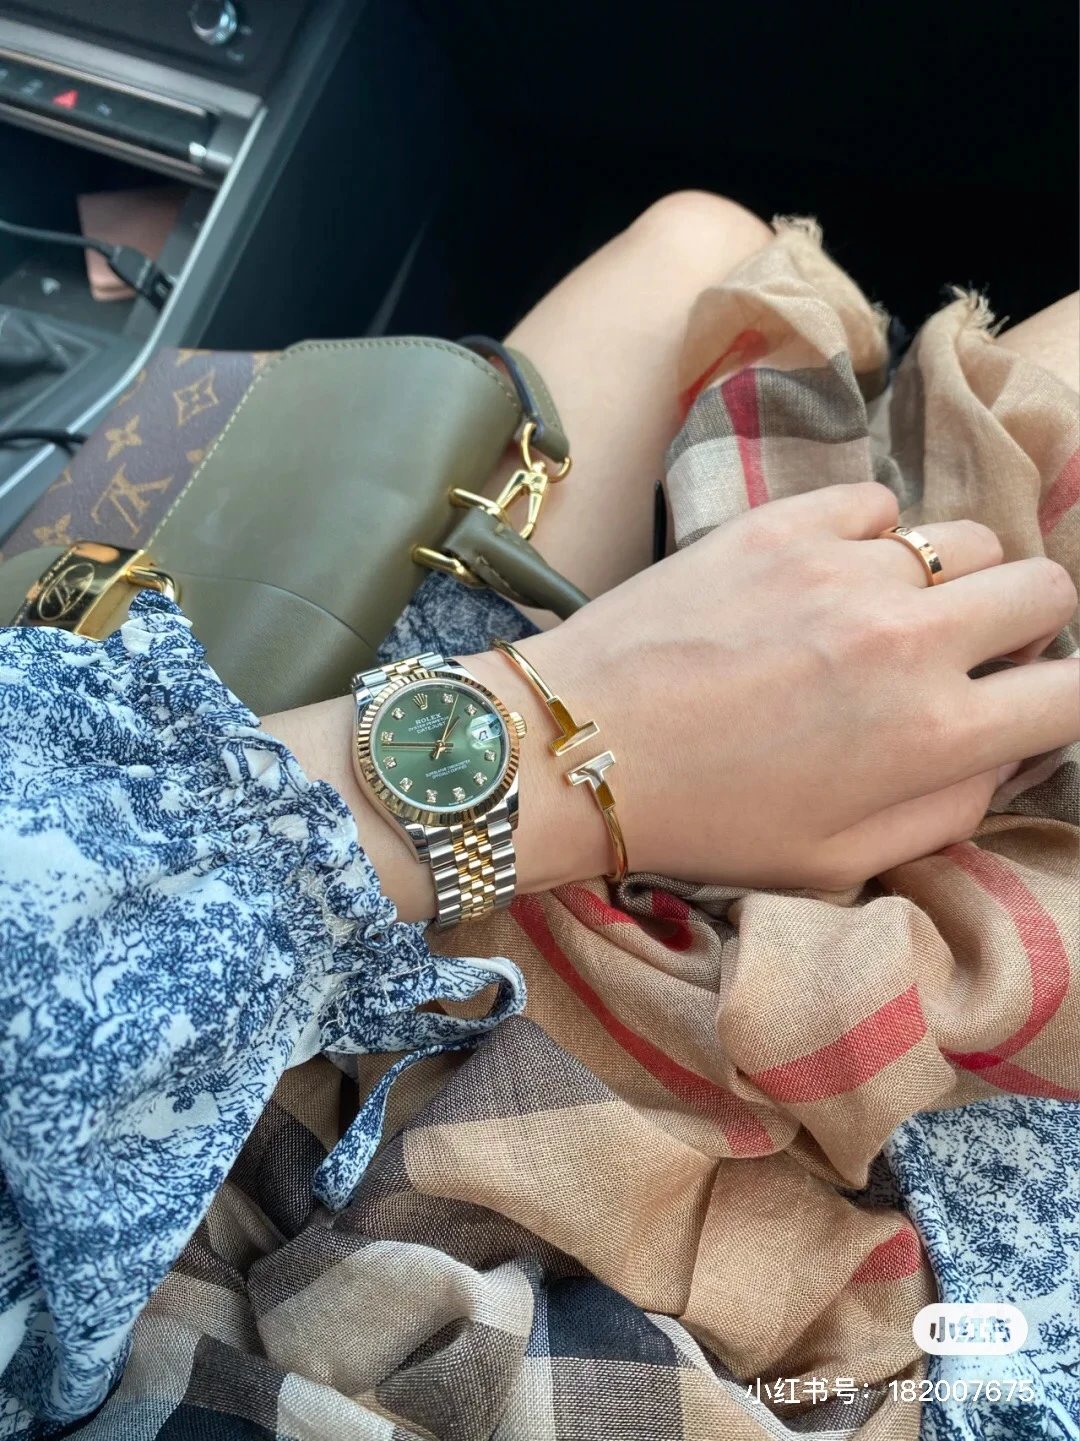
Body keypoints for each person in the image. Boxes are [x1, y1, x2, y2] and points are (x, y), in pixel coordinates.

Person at [0, 191, 1076, 1430]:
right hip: (261, 1238)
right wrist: (571, 737)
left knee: (698, 252)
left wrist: (577, 715)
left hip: (214, 821)